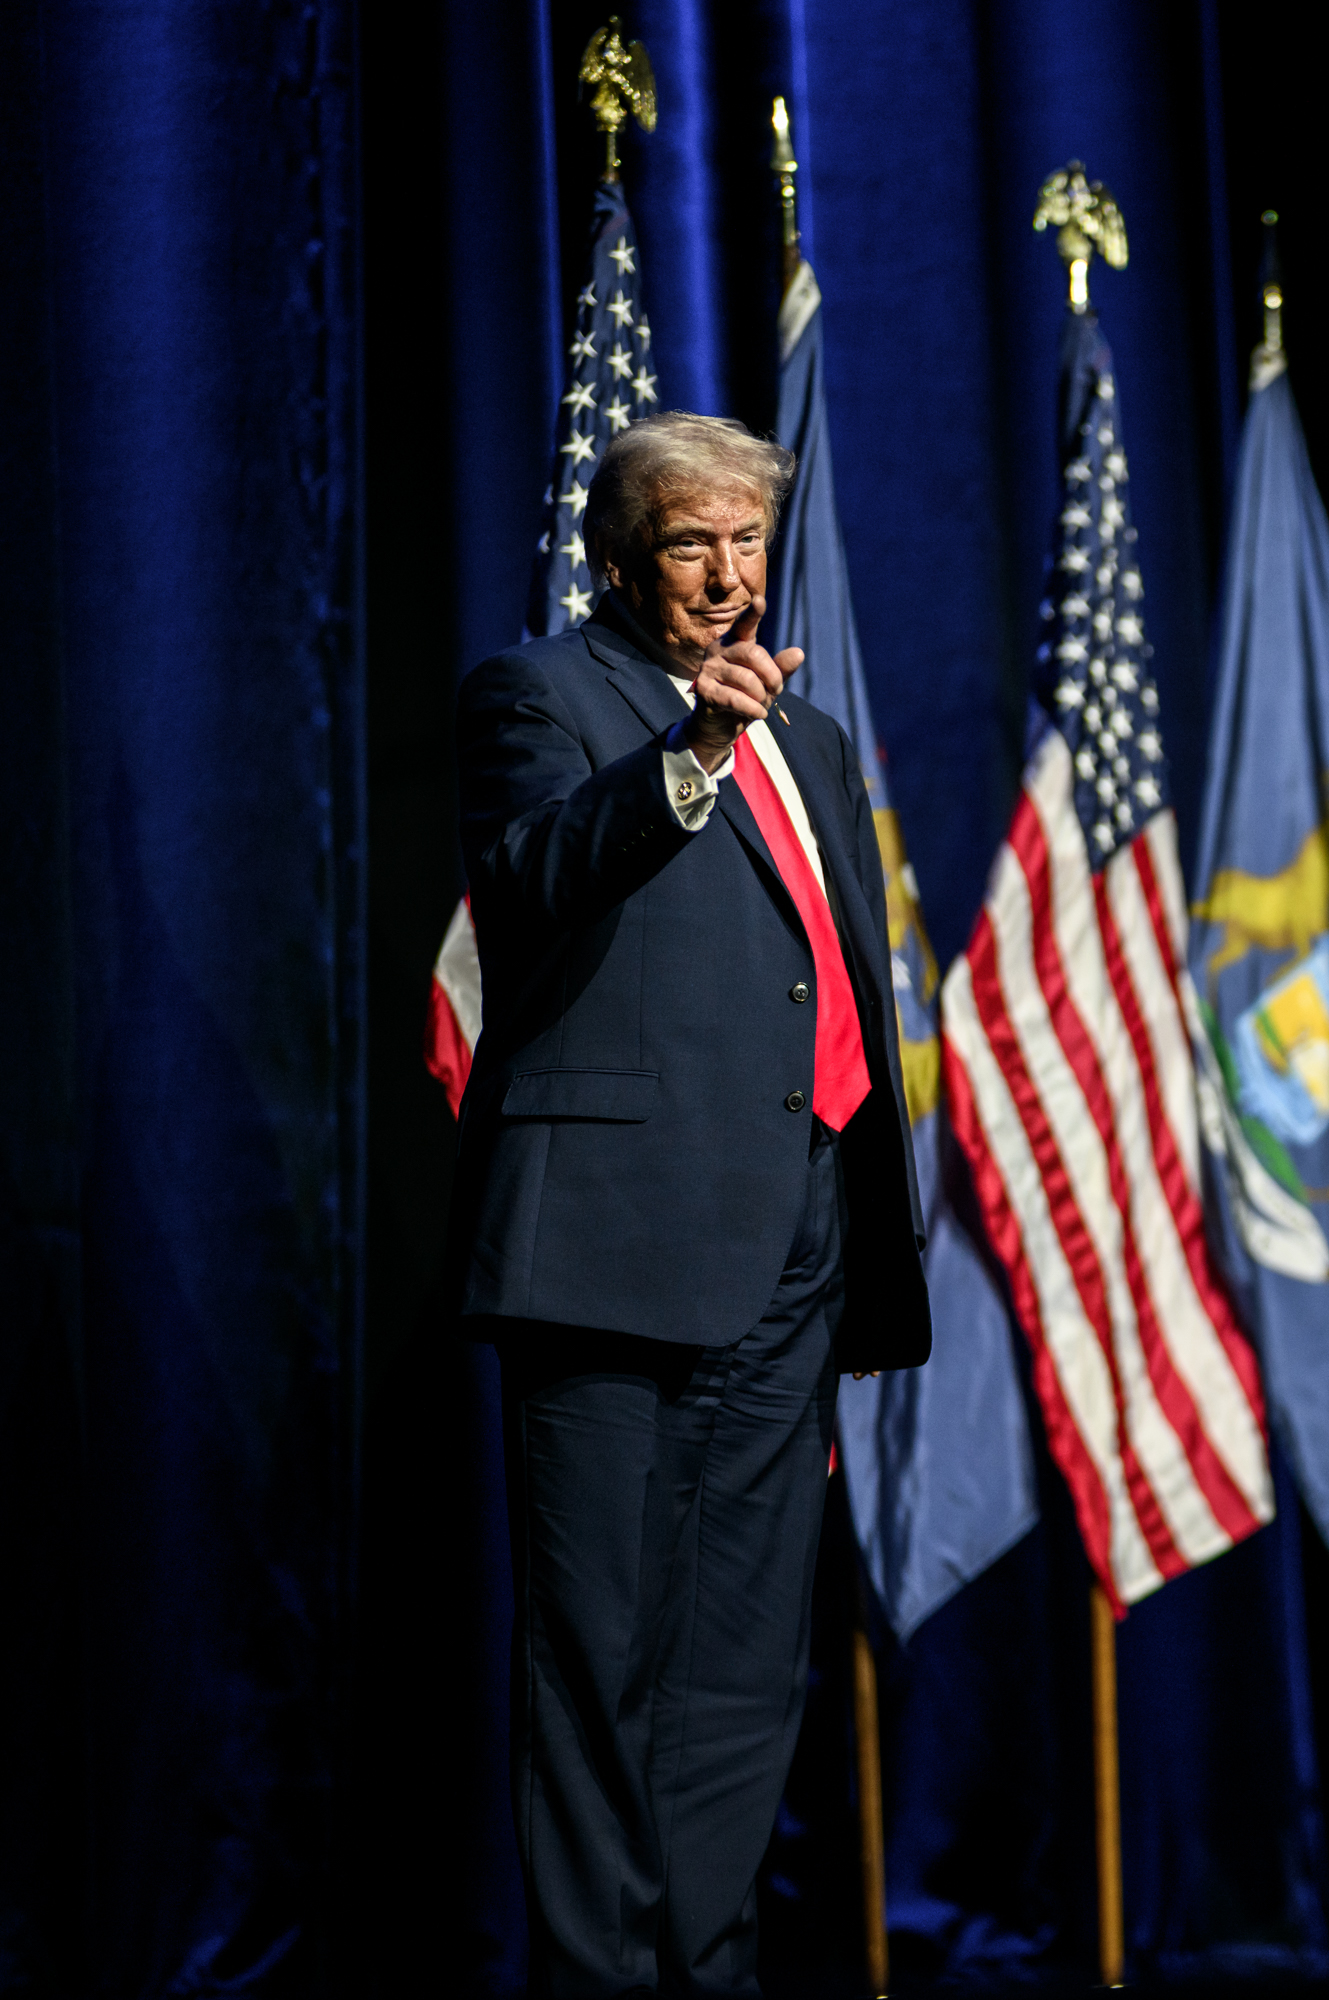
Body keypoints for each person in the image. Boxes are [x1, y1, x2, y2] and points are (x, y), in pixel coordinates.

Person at [443, 411, 929, 1998]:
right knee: (599, 1669)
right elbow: (524, 885)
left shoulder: (822, 745)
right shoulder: (542, 696)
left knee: (738, 1678)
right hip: (608, 1256)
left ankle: (708, 1978)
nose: (727, 579)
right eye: (690, 545)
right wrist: (689, 759)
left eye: (746, 543)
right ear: (619, 557)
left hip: (791, 1255)